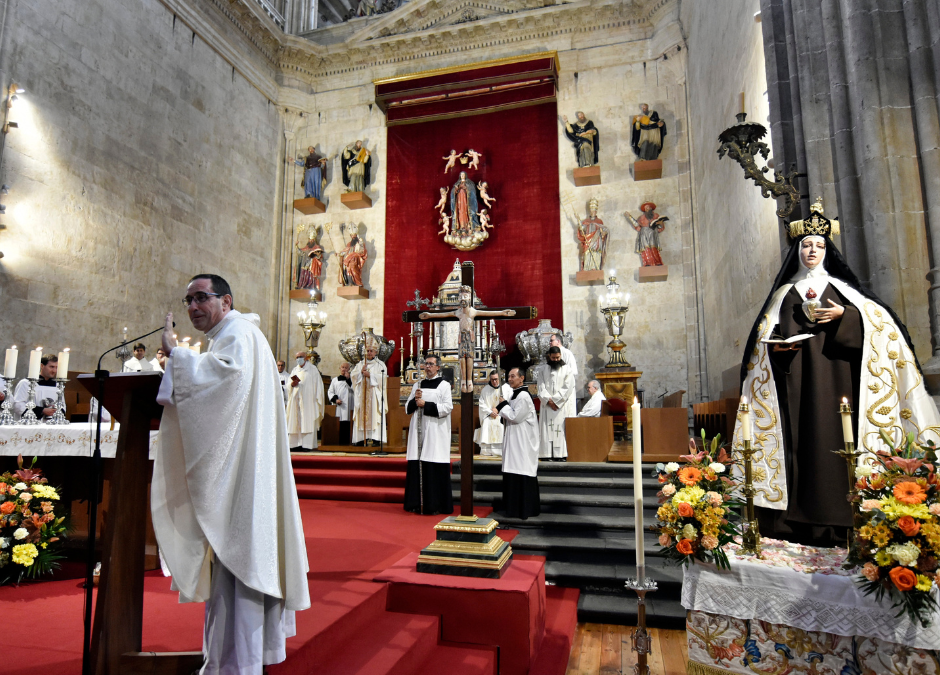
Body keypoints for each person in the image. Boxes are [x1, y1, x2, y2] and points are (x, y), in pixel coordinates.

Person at [734, 199, 940, 546]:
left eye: (818, 245)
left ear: (827, 250)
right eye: (806, 245)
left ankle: (846, 521)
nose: (812, 250)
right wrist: (778, 351)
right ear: (797, 251)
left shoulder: (846, 291)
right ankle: (790, 523)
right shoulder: (783, 294)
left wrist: (847, 318)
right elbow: (762, 345)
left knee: (838, 448)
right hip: (795, 392)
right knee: (801, 450)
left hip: (840, 384)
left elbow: (882, 330)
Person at [151, 274, 309, 674]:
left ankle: (237, 666)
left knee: (240, 569)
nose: (192, 307)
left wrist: (177, 354)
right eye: (188, 300)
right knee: (231, 576)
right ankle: (227, 662)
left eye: (201, 297)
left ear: (226, 301)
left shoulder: (238, 333)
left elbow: (222, 380)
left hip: (243, 481)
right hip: (241, 472)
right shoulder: (231, 336)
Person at [420, 285, 516, 393]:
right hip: (461, 337)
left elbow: (489, 313)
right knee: (462, 357)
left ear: (469, 298)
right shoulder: (458, 312)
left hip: (469, 337)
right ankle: (463, 380)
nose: (462, 299)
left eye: (465, 296)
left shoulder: (472, 311)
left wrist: (503, 312)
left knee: (469, 357)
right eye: (461, 297)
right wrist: (429, 315)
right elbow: (444, 314)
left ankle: (469, 379)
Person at [403, 355, 454, 515]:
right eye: (426, 364)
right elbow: (407, 407)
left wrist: (426, 405)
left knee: (432, 463)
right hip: (419, 429)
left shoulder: (444, 385)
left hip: (435, 431)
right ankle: (415, 503)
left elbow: (447, 407)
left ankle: (435, 505)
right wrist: (415, 401)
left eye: (431, 364)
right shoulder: (418, 385)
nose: (427, 367)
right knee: (418, 463)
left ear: (438, 367)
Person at [496, 367, 540, 519]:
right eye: (508, 376)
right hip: (515, 439)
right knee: (513, 470)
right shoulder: (515, 395)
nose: (509, 379)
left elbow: (516, 417)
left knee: (521, 471)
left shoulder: (523, 396)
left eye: (513, 376)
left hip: (522, 441)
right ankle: (513, 508)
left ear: (522, 378)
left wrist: (502, 405)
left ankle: (523, 509)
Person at [535, 346, 576, 461]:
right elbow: (540, 386)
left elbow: (568, 387)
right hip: (547, 405)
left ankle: (560, 454)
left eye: (558, 357)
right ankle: (546, 454)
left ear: (560, 356)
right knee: (546, 430)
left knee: (560, 430)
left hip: (560, 406)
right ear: (550, 357)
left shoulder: (567, 369)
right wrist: (549, 400)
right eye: (553, 358)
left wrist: (556, 401)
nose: (556, 360)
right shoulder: (543, 370)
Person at [351, 338, 387, 446]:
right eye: (367, 351)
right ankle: (361, 439)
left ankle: (376, 439)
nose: (369, 353)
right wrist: (360, 373)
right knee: (361, 415)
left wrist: (371, 375)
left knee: (375, 415)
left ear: (376, 352)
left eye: (371, 351)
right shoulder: (359, 364)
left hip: (374, 395)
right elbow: (353, 376)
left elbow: (383, 378)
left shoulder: (380, 365)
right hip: (362, 394)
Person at [286, 351, 325, 451]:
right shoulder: (295, 370)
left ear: (306, 358)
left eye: (301, 357)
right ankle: (295, 445)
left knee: (306, 422)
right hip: (296, 401)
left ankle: (306, 445)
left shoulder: (312, 370)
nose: (299, 359)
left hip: (308, 402)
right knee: (295, 422)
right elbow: (288, 385)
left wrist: (317, 398)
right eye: (297, 357)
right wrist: (291, 384)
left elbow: (319, 386)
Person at [475, 370, 512, 457]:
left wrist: (499, 411)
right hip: (489, 415)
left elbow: (510, 402)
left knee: (500, 424)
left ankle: (500, 451)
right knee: (487, 423)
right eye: (492, 380)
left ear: (500, 378)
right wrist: (490, 412)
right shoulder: (485, 390)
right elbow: (482, 404)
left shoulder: (506, 388)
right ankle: (487, 451)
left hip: (502, 415)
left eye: (496, 379)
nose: (494, 381)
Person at [13, 354, 58, 420]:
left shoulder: (57, 385)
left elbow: (62, 405)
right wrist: (41, 410)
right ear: (42, 366)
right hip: (30, 424)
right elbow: (18, 405)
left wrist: (56, 411)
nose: (54, 371)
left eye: (56, 367)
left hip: (51, 424)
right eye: (51, 367)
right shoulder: (26, 383)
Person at [624, 202, 668, 267]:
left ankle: (657, 262)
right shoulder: (641, 218)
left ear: (651, 208)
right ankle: (648, 263)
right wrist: (629, 217)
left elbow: (660, 228)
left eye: (649, 207)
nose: (647, 209)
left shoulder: (656, 216)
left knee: (654, 248)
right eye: (646, 208)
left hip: (653, 233)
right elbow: (637, 225)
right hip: (644, 234)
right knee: (646, 249)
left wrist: (661, 223)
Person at [577, 198, 609, 272]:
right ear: (590, 211)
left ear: (596, 211)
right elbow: (582, 231)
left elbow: (603, 232)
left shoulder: (599, 221)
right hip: (588, 241)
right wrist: (580, 226)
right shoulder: (586, 221)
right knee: (587, 253)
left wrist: (603, 233)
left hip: (597, 242)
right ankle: (587, 268)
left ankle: (595, 267)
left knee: (596, 253)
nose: (593, 212)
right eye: (591, 210)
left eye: (594, 210)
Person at [328, 361, 354, 444]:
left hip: (350, 405)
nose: (344, 369)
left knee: (349, 422)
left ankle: (349, 442)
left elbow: (355, 389)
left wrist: (348, 379)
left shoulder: (353, 380)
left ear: (349, 369)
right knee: (340, 423)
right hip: (339, 406)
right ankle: (340, 442)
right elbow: (330, 391)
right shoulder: (335, 380)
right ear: (340, 368)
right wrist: (335, 400)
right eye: (343, 367)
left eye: (346, 368)